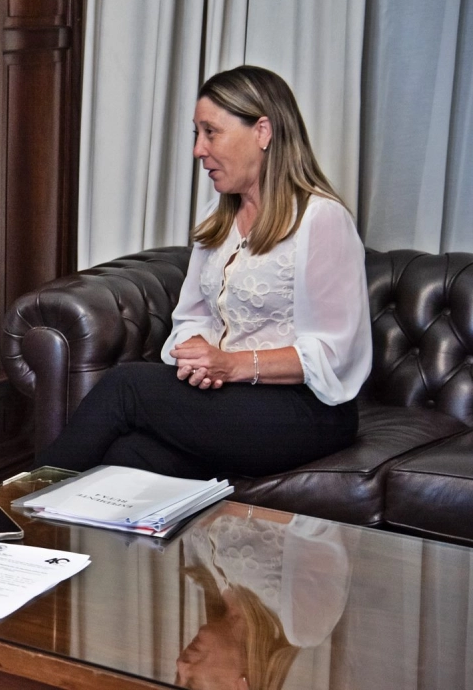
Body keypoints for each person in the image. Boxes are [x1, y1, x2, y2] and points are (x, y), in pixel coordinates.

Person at [36, 65, 372, 479]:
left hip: (308, 410)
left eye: (211, 132)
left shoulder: (321, 220)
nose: (198, 149)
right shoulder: (220, 216)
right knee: (127, 454)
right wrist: (197, 354)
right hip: (231, 401)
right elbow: (192, 315)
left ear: (263, 131)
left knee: (127, 387)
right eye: (197, 134)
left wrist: (229, 365)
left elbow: (336, 355)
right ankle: (51, 535)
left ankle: (11, 509)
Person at [175, 507, 352, 690]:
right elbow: (328, 519)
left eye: (176, 676)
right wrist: (237, 506)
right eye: (192, 685)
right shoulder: (305, 624)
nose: (181, 664)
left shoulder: (198, 576)